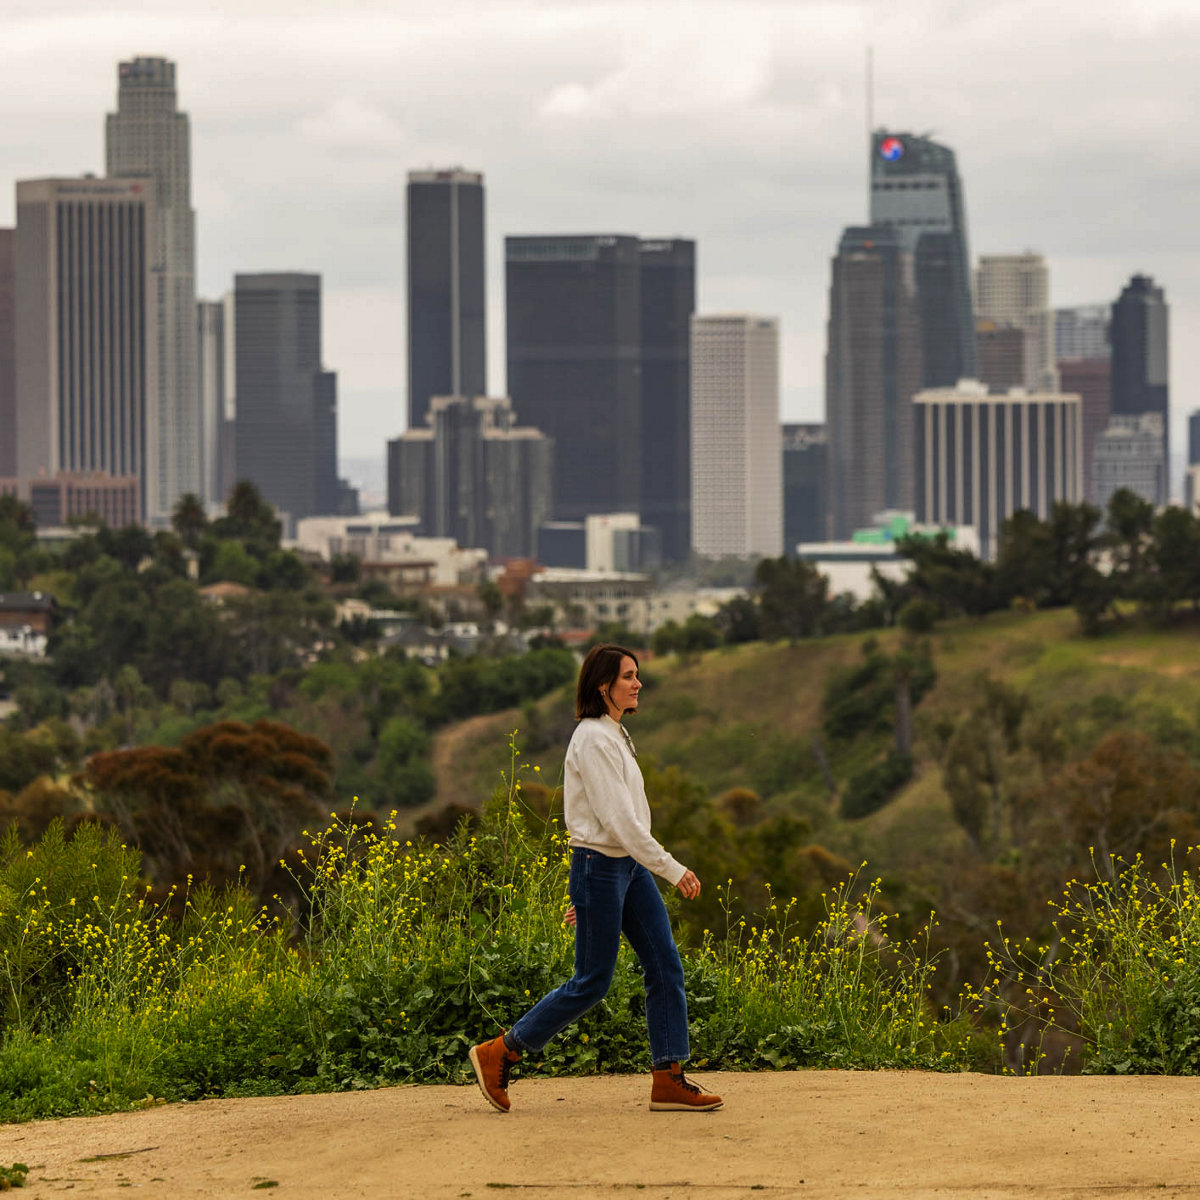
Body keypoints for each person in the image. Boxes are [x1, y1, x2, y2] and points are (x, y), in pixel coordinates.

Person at [468, 644, 722, 1113]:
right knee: (591, 981)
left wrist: (624, 879)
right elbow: (620, 821)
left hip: (623, 869)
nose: (638, 683)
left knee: (665, 965)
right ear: (604, 685)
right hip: (603, 866)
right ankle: (500, 1051)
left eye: (637, 675)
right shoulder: (593, 739)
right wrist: (671, 868)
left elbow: (628, 823)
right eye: (629, 676)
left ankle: (669, 1077)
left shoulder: (614, 734)